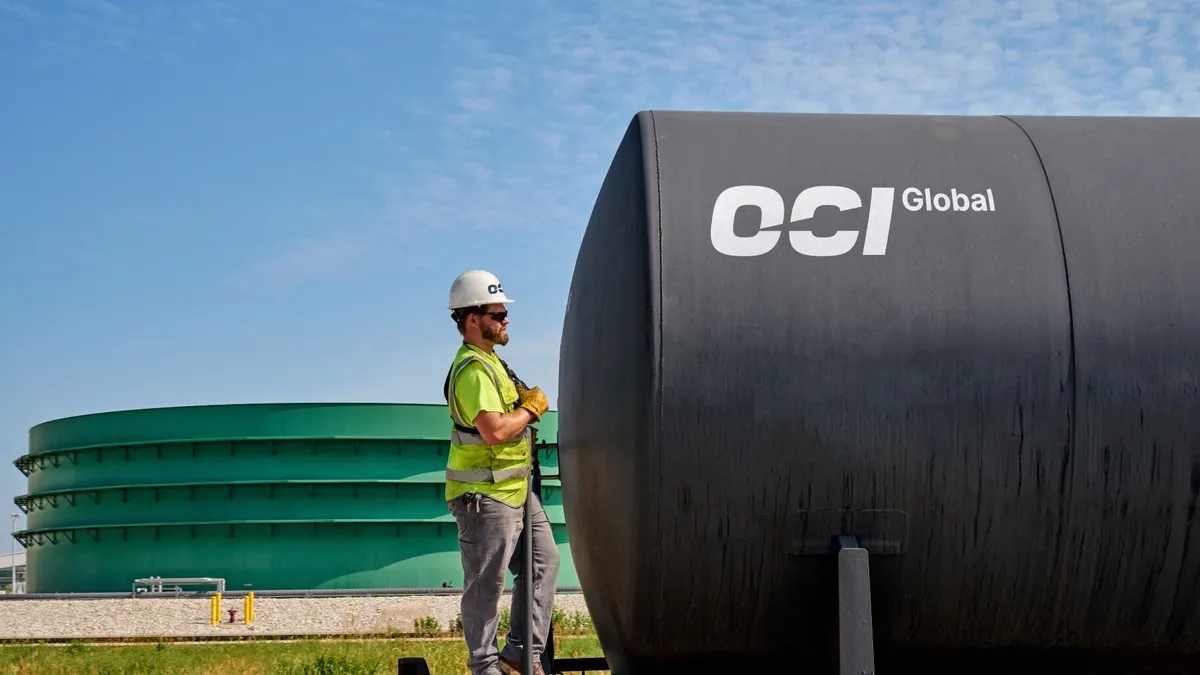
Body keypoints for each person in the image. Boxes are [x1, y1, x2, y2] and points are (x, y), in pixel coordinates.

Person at [443, 269, 558, 675]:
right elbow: (494, 432)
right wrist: (530, 410)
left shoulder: (494, 364)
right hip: (484, 497)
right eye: (497, 314)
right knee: (485, 586)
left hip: (515, 491)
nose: (506, 320)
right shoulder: (473, 371)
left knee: (544, 563)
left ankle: (519, 653)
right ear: (473, 319)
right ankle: (485, 666)